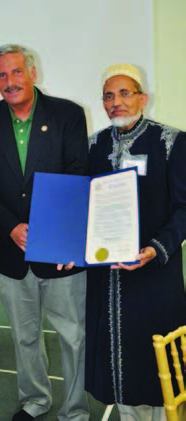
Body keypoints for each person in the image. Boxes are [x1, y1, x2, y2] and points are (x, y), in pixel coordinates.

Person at [0, 44, 89, 421]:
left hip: (59, 249)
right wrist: (11, 227)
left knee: (73, 336)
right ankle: (34, 401)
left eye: (16, 72)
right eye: (2, 75)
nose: (9, 81)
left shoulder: (68, 115)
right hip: (9, 251)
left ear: (33, 73)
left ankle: (75, 410)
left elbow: (76, 174)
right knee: (25, 336)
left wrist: (49, 231)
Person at [86, 63, 186, 420]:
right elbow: (83, 205)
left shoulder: (170, 141)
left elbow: (184, 208)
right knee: (118, 367)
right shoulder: (95, 145)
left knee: (154, 363)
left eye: (125, 93)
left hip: (153, 274)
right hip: (107, 275)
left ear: (142, 97)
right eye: (109, 96)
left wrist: (155, 249)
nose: (117, 102)